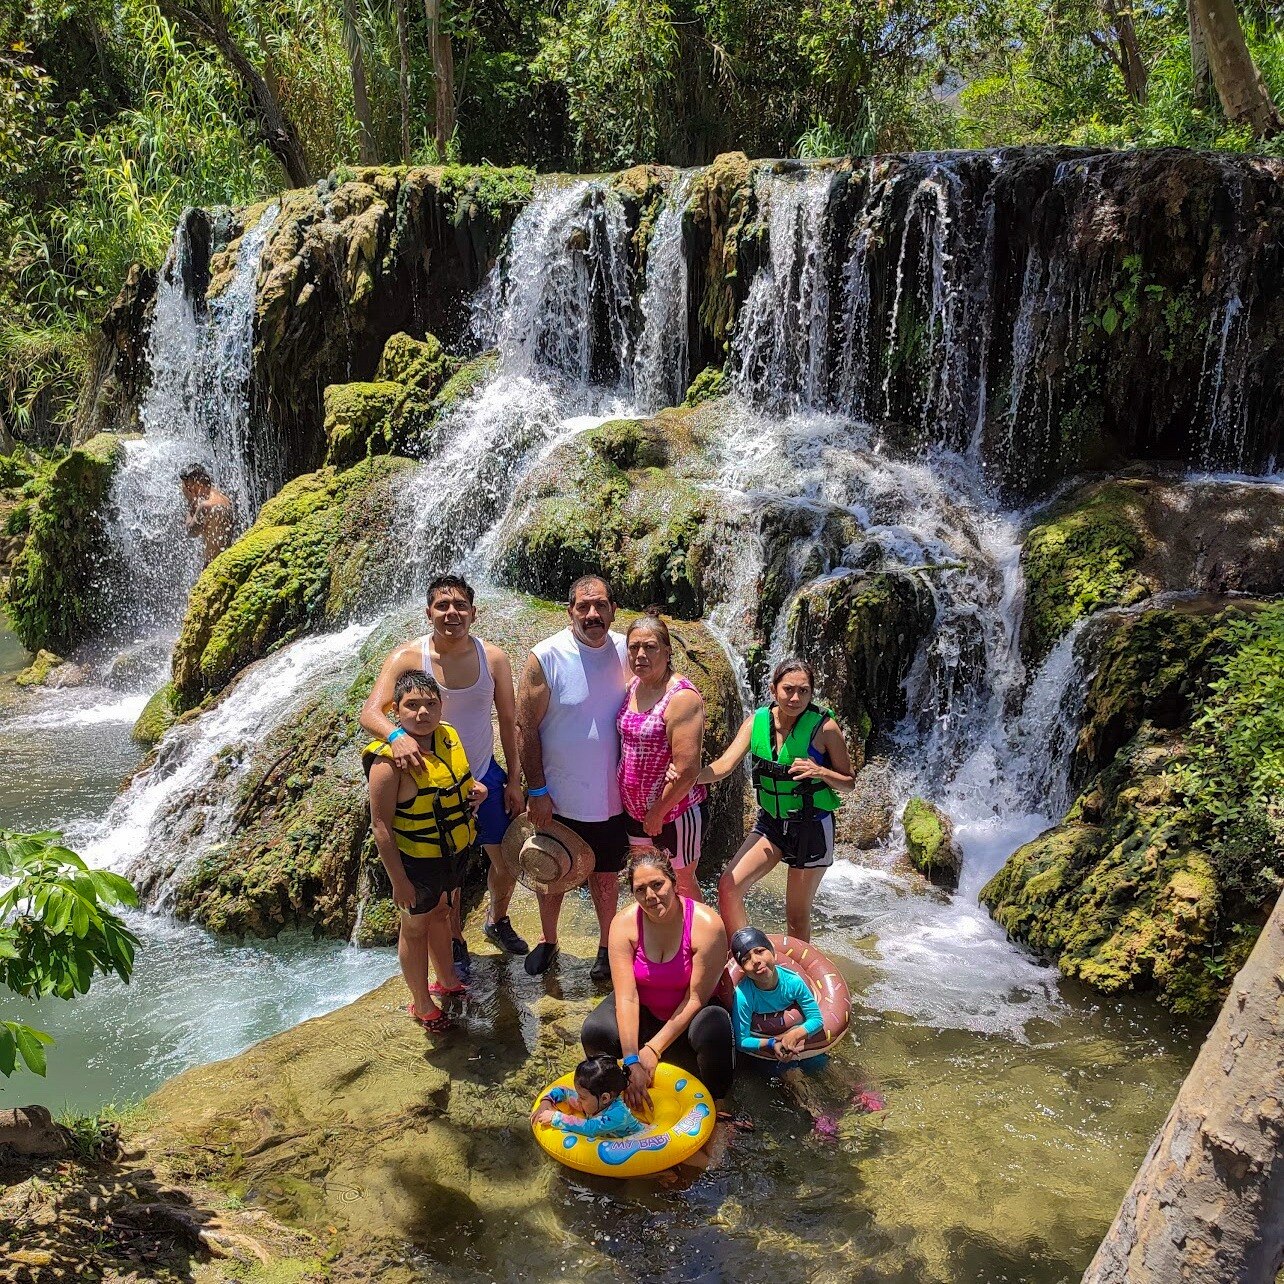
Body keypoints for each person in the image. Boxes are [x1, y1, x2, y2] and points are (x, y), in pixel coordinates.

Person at [361, 573, 528, 978]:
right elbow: (371, 713)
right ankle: (453, 940)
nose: (451, 613)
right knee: (448, 871)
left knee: (506, 861)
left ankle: (496, 919)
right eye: (442, 606)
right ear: (428, 612)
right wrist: (398, 737)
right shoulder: (406, 658)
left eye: (459, 606)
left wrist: (515, 780)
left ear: (473, 612)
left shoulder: (494, 658)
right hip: (431, 782)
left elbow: (509, 722)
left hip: (484, 773)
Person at [517, 574, 630, 980]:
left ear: (613, 609)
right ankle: (549, 942)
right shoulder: (546, 656)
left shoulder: (627, 651)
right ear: (570, 612)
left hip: (612, 796)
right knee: (551, 872)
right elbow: (523, 728)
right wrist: (537, 789)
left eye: (600, 605)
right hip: (558, 795)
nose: (592, 614)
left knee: (606, 876)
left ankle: (606, 947)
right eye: (583, 606)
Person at [696, 658, 855, 943]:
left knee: (796, 917)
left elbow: (849, 783)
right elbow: (724, 766)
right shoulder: (756, 721)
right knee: (728, 886)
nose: (795, 698)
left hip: (811, 827)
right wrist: (688, 777)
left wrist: (820, 771)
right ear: (773, 689)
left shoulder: (825, 727)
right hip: (770, 824)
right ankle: (745, 955)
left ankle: (798, 980)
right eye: (788, 689)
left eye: (804, 691)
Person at [364, 669, 486, 1031]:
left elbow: (455, 783)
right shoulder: (388, 762)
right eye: (411, 705)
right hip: (416, 860)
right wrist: (398, 881)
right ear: (396, 711)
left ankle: (446, 981)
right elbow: (381, 826)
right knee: (415, 927)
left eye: (430, 704)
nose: (422, 713)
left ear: (441, 706)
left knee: (443, 913)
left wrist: (477, 790)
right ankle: (421, 1003)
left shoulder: (446, 735)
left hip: (452, 852)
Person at [581, 847, 734, 1108]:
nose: (650, 896)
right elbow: (626, 997)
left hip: (689, 1016)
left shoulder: (707, 924)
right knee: (595, 1031)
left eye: (657, 884)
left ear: (674, 882)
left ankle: (718, 1104)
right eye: (640, 889)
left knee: (715, 1027)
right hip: (644, 1011)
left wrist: (653, 1049)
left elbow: (696, 998)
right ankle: (614, 1087)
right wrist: (631, 1060)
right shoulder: (623, 924)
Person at [617, 610, 707, 902]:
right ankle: (658, 943)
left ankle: (703, 944)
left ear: (667, 652)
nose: (640, 654)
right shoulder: (633, 686)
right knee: (646, 883)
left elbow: (688, 770)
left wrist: (658, 811)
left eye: (650, 647)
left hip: (674, 813)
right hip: (634, 813)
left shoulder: (681, 697)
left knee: (681, 884)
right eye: (634, 647)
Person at [728, 926, 823, 1061]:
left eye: (760, 951)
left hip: (801, 1041)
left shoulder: (793, 982)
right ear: (742, 969)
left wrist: (794, 1035)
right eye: (746, 959)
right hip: (764, 1053)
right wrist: (772, 1043)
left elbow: (817, 1019)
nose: (755, 961)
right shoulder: (743, 996)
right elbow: (742, 1040)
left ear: (772, 951)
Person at [531, 1054, 644, 1138]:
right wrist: (547, 1101)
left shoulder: (618, 1114)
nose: (578, 1100)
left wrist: (555, 1118)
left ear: (605, 1098)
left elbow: (590, 1128)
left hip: (640, 1140)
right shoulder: (593, 1100)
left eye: (582, 1097)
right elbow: (563, 1091)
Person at [180, 463, 233, 566]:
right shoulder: (223, 498)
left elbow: (191, 532)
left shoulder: (205, 506)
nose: (184, 490)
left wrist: (190, 503)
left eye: (186, 487)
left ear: (192, 485)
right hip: (227, 560)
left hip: (213, 565)